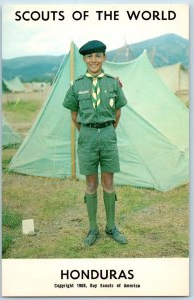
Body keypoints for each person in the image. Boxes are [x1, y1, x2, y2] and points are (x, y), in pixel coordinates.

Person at [63, 40, 128, 246]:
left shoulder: (112, 82)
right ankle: (92, 229)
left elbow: (117, 112)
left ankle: (111, 226)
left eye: (98, 56)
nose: (94, 60)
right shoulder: (77, 85)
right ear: (84, 59)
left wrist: (107, 131)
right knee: (91, 184)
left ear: (104, 58)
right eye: (89, 57)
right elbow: (74, 115)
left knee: (108, 181)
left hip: (108, 134)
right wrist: (89, 133)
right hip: (88, 137)